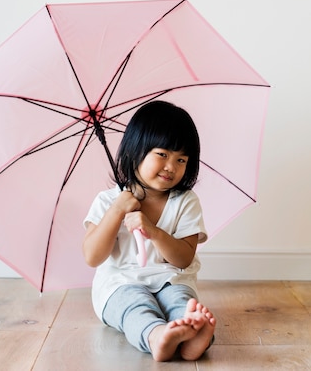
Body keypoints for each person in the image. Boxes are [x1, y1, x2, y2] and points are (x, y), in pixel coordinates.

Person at [82, 101, 216, 362]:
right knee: (135, 306)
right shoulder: (108, 201)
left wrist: (153, 231)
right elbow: (92, 256)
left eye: (181, 160)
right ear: (136, 151)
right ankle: (156, 335)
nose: (171, 167)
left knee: (180, 301)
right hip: (120, 284)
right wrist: (116, 211)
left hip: (169, 280)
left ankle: (194, 338)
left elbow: (183, 258)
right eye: (162, 154)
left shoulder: (185, 202)